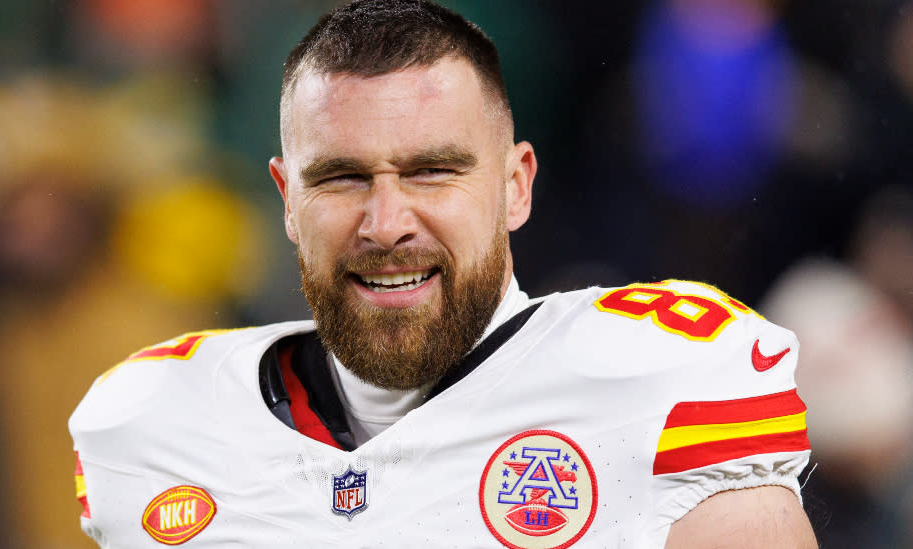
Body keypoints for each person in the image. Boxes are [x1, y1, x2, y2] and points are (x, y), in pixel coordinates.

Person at [69, 1, 817, 547]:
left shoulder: (662, 381)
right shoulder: (153, 423)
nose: (386, 220)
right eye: (341, 178)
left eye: (432, 171)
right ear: (287, 201)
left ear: (516, 185)